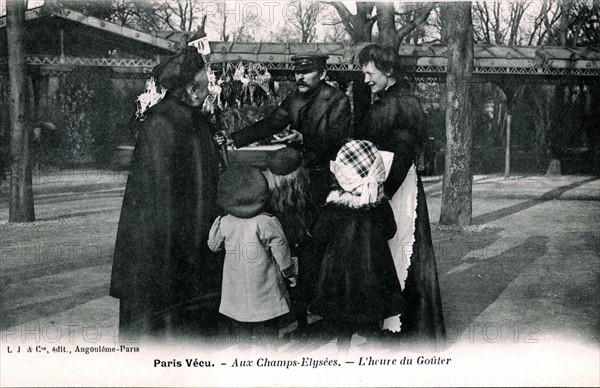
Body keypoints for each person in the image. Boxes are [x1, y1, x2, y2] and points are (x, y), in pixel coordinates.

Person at [110, 47, 222, 341]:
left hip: (185, 243)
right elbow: (156, 197)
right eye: (205, 85)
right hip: (166, 248)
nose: (209, 91)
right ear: (190, 89)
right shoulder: (163, 123)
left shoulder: (188, 120)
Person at [358, 44, 446, 346]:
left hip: (398, 186)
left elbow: (405, 153)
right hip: (382, 183)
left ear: (389, 71)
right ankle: (387, 322)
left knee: (402, 249)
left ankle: (408, 330)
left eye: (370, 73)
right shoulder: (385, 100)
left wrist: (384, 191)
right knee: (384, 251)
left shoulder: (404, 103)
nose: (365, 79)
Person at [310, 140, 404, 353]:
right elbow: (391, 231)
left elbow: (319, 235)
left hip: (340, 274)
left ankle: (343, 351)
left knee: (343, 319)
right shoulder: (379, 206)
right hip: (373, 270)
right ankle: (372, 351)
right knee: (371, 317)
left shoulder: (334, 207)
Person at [229, 53, 352, 207]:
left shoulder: (338, 100)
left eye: (306, 72)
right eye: (297, 72)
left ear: (322, 74)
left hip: (325, 174)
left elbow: (336, 139)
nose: (300, 77)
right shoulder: (293, 99)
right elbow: (272, 123)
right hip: (295, 174)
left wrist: (304, 139)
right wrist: (235, 138)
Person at [208, 165, 297, 351]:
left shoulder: (226, 222)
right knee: (268, 333)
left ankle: (244, 362)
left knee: (242, 333)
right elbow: (282, 252)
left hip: (236, 291)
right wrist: (289, 273)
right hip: (264, 290)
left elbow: (213, 245)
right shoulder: (267, 222)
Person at [263, 147, 314, 339]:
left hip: (282, 253)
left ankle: (294, 324)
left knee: (289, 290)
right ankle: (305, 325)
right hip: (306, 249)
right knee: (302, 289)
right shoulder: (308, 195)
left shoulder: (268, 199)